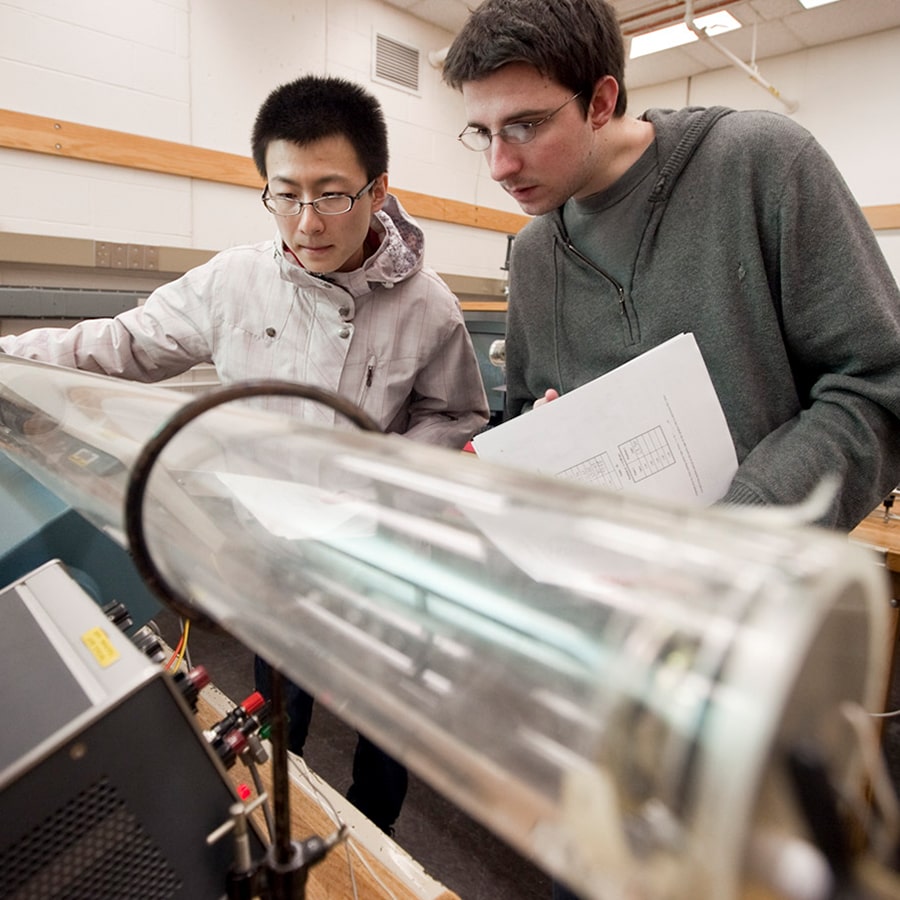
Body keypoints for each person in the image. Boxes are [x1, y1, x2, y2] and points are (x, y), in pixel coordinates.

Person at [0, 74, 489, 835]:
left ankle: (375, 841)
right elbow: (118, 345)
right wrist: (9, 361)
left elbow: (455, 411)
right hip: (269, 549)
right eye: (284, 193)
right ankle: (277, 821)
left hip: (376, 552)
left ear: (377, 189)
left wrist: (384, 479)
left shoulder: (429, 306)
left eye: (331, 194)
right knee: (277, 705)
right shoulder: (234, 282)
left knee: (387, 723)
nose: (306, 220)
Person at [442, 0, 900, 536]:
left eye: (523, 127)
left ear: (600, 101)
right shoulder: (534, 253)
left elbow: (879, 385)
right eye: (483, 133)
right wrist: (545, 440)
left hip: (761, 584)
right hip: (608, 587)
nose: (499, 165)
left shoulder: (762, 164)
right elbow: (522, 412)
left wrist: (746, 521)